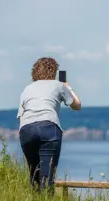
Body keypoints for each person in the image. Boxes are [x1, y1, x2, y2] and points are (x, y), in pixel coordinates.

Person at [17, 57, 81, 193]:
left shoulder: (27, 89)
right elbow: (77, 105)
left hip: (26, 129)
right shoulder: (59, 85)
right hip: (49, 127)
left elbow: (20, 116)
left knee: (34, 172)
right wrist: (68, 87)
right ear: (54, 71)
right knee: (47, 176)